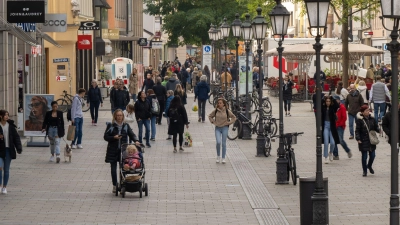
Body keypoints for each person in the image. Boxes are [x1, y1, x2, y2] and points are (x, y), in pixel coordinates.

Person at [104, 109, 140, 193]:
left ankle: (123, 184)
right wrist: (114, 137)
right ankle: (114, 185)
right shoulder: (111, 126)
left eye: (121, 115)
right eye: (118, 115)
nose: (119, 117)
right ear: (115, 116)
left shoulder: (126, 126)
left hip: (123, 151)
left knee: (123, 168)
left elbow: (132, 134)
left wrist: (136, 141)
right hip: (112, 150)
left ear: (123, 117)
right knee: (113, 169)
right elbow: (106, 137)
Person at [0, 110, 22, 194]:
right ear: (0, 116)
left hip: (8, 149)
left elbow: (16, 138)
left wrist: (19, 148)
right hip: (0, 150)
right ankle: (0, 185)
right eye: (5, 115)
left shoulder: (11, 126)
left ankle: (4, 187)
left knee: (6, 169)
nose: (7, 116)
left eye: (7, 115)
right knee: (0, 167)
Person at [208, 98, 236, 164]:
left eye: (220, 103)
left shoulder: (227, 111)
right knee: (218, 142)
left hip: (224, 128)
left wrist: (229, 123)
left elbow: (234, 117)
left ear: (223, 104)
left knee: (223, 143)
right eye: (218, 103)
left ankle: (223, 158)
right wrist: (213, 122)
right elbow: (210, 116)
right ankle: (218, 156)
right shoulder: (216, 110)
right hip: (217, 128)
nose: (219, 104)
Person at [356, 105, 380, 177]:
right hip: (363, 140)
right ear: (362, 112)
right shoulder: (359, 120)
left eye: (368, 110)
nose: (368, 111)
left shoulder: (372, 119)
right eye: (366, 110)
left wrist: (378, 130)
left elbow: (375, 127)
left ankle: (369, 166)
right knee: (364, 157)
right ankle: (364, 170)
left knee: (373, 155)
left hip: (371, 140)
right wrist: (358, 138)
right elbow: (357, 130)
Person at [331, 96, 352, 160]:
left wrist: (340, 124)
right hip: (333, 126)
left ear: (339, 100)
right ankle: (336, 155)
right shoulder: (332, 107)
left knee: (340, 140)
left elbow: (344, 118)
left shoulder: (342, 107)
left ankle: (348, 150)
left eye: (336, 100)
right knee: (334, 140)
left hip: (340, 126)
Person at [321, 95, 340, 164]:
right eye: (327, 101)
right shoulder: (323, 108)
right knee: (326, 142)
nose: (328, 103)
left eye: (329, 101)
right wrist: (323, 98)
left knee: (332, 142)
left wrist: (333, 98)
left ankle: (331, 152)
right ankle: (326, 157)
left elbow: (337, 105)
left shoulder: (333, 108)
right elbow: (319, 103)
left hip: (332, 126)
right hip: (325, 126)